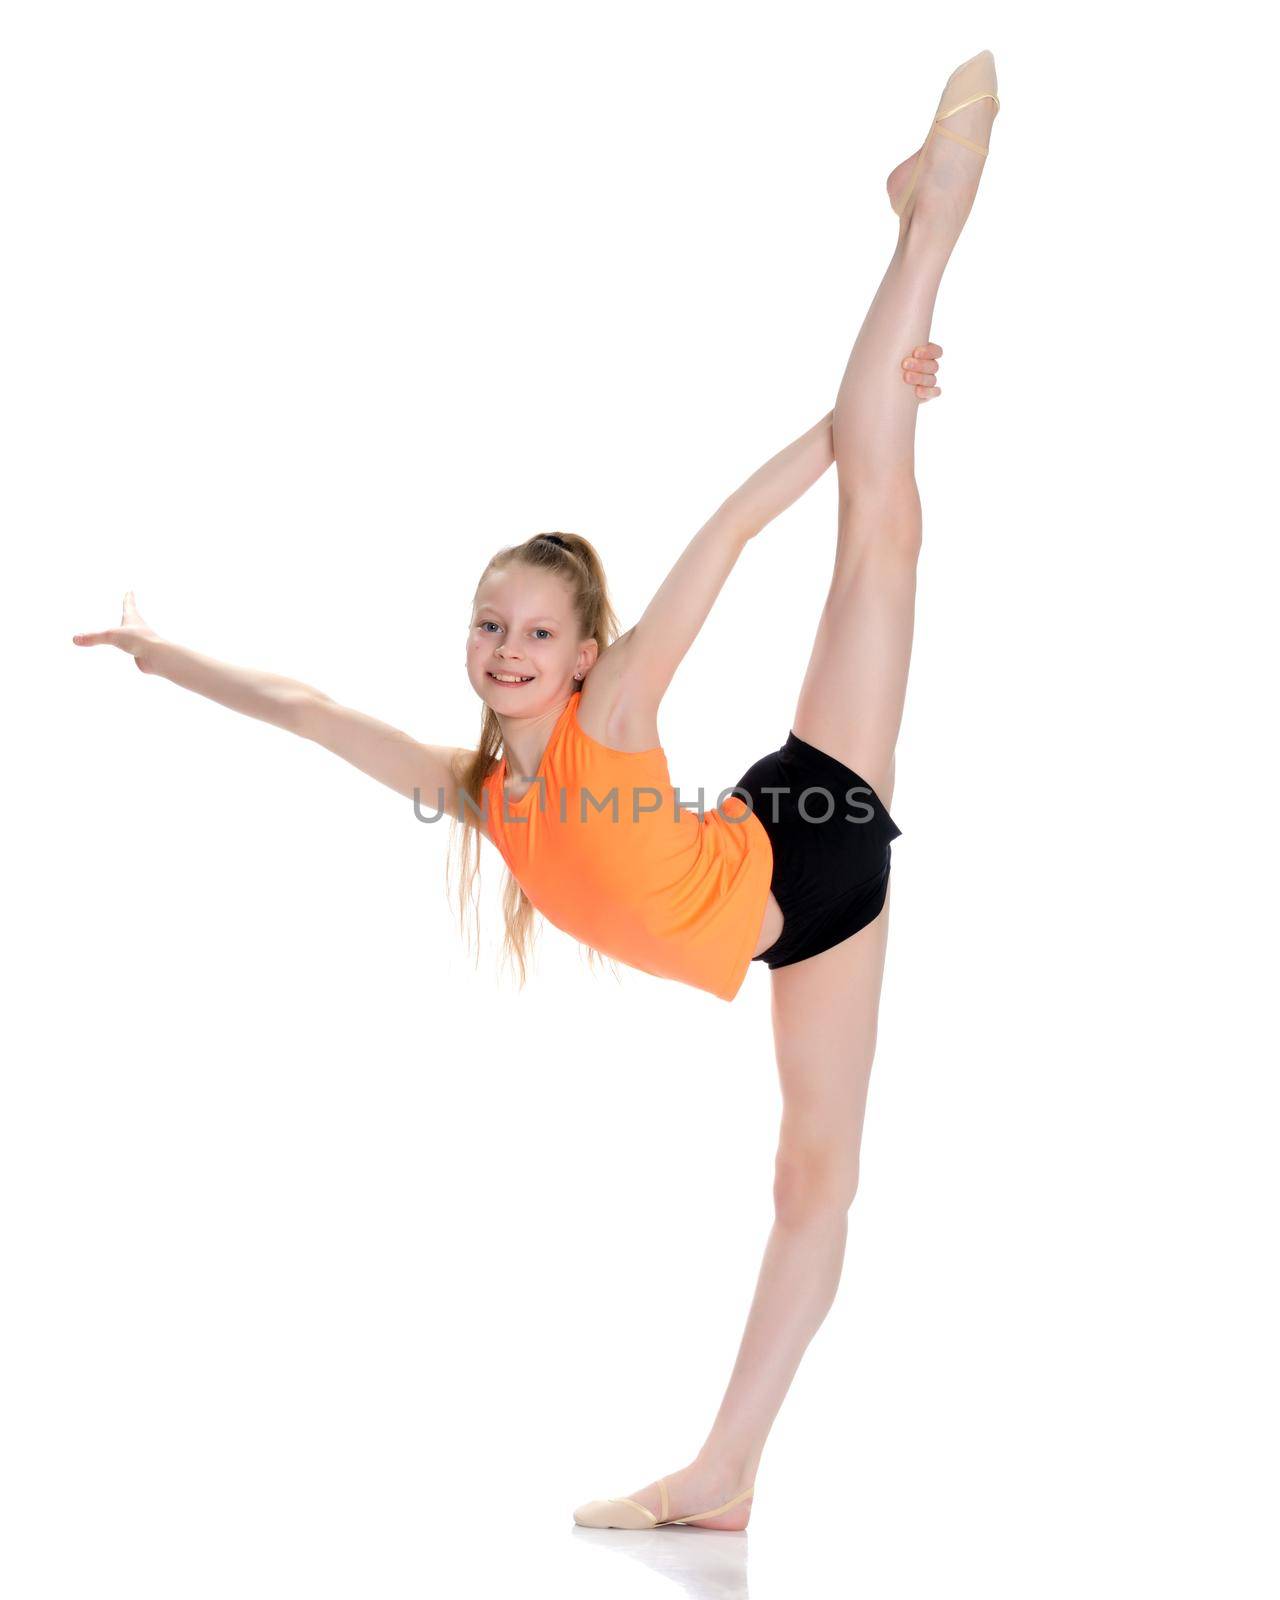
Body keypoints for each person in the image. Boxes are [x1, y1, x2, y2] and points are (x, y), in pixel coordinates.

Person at [73, 49, 1000, 1532]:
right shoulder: (476, 789)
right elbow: (307, 712)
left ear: (580, 654)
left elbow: (736, 533)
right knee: (808, 1184)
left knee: (878, 522)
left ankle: (930, 217)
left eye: (536, 633)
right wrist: (157, 653)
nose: (508, 650)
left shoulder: (615, 708)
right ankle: (727, 1481)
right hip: (770, 895)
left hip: (809, 842)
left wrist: (859, 411)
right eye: (490, 627)